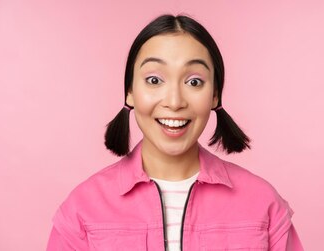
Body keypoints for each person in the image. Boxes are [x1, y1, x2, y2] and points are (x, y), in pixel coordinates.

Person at [46, 14, 304, 251]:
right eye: (154, 80)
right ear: (130, 92)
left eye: (194, 82)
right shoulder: (82, 209)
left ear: (214, 95)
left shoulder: (263, 205)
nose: (175, 101)